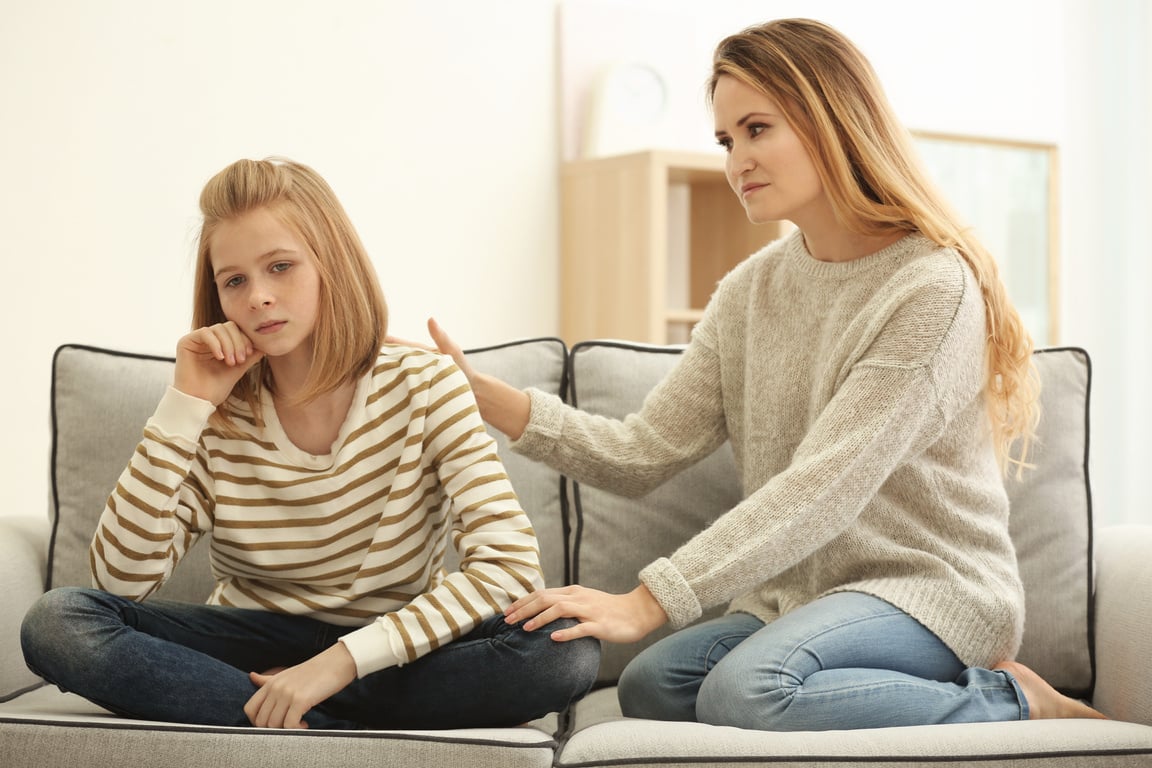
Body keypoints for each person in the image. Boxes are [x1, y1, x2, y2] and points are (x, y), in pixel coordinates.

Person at [416, 18, 1108, 730]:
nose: (736, 160)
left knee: (745, 691)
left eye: (756, 129)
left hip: (927, 591)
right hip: (801, 601)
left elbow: (823, 488)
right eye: (725, 140)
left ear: (830, 121)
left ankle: (1017, 700)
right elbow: (644, 450)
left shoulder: (931, 288)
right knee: (651, 686)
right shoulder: (750, 291)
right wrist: (496, 403)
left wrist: (646, 601)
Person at [20, 157, 599, 730]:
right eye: (235, 280)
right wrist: (184, 405)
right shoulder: (213, 410)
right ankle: (316, 720)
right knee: (59, 623)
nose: (258, 298)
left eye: (280, 267)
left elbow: (511, 570)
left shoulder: (427, 382)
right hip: (250, 641)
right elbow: (121, 582)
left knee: (563, 649)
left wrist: (335, 665)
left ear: (331, 264)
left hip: (388, 648)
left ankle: (287, 712)